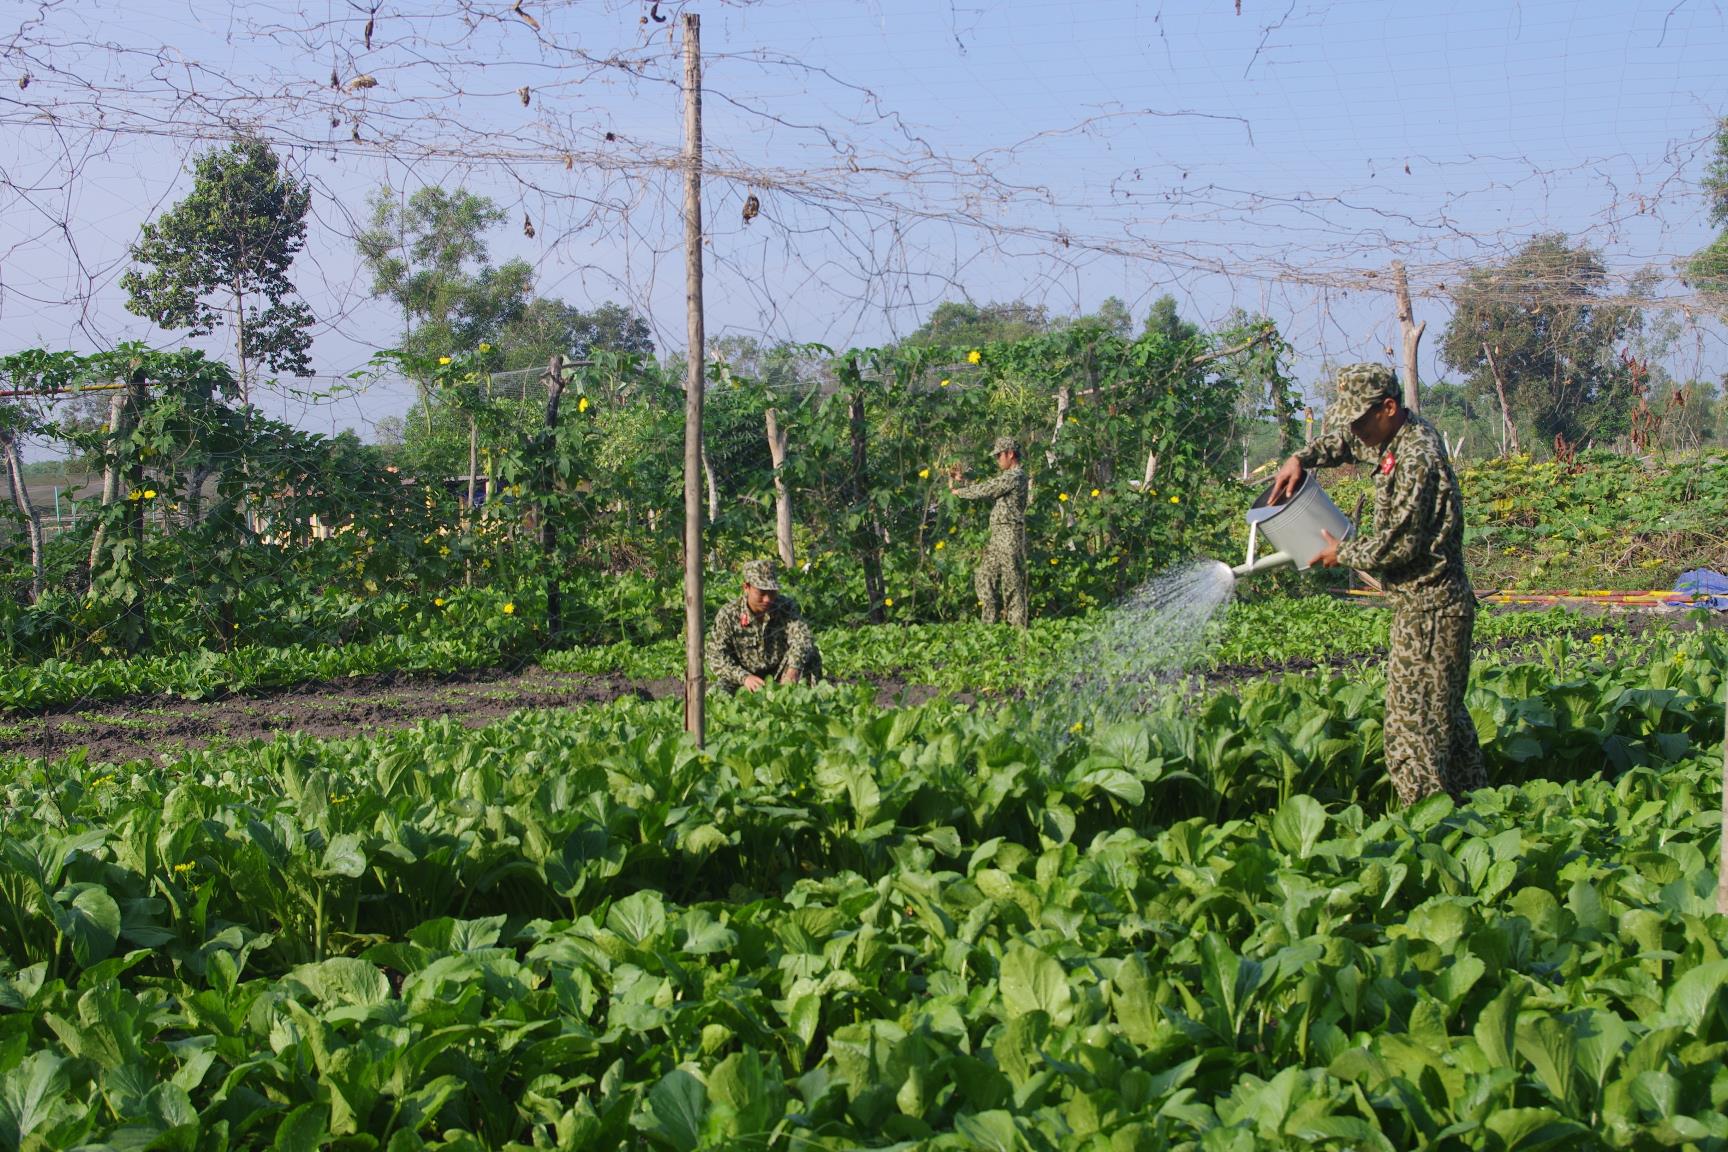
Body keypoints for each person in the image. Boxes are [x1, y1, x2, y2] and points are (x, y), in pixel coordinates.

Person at [1268, 363, 1487, 806]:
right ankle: (1476, 812)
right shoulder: (1389, 437)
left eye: (1359, 419)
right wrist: (1301, 458)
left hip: (1431, 612)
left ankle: (1433, 831)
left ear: (1388, 407)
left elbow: (1400, 544)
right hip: (1426, 609)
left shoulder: (1416, 458)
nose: (1354, 430)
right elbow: (1347, 442)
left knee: (1412, 734)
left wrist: (1341, 554)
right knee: (1444, 717)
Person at [705, 559, 821, 692]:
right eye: (761, 592)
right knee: (718, 694)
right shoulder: (728, 614)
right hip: (743, 676)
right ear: (746, 588)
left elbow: (802, 638)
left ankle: (808, 701)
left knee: (811, 655)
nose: (767, 599)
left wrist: (793, 671)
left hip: (779, 673)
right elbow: (716, 656)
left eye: (772, 592)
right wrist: (744, 677)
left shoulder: (785, 606)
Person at [951, 435, 1029, 628]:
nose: (997, 460)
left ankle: (1018, 628)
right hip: (998, 536)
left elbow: (988, 489)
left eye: (999, 455)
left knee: (1012, 581)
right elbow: (989, 487)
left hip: (1010, 534)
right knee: (985, 576)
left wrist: (959, 492)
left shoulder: (1016, 476)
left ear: (1010, 454)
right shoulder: (1008, 477)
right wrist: (963, 482)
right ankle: (989, 624)